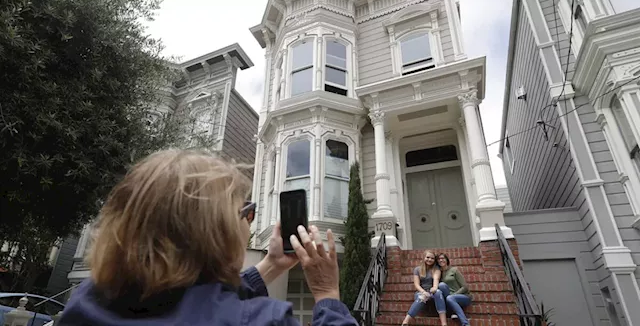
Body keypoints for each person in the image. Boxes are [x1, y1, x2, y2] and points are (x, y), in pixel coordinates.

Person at [57, 149, 358, 326]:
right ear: (216, 231)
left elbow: (195, 298)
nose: (250, 223)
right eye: (246, 212)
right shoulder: (263, 320)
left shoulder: (86, 301)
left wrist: (271, 265)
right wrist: (327, 293)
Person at [401, 250, 447, 326]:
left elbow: (436, 279)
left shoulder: (436, 269)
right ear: (424, 258)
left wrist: (434, 288)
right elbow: (416, 284)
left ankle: (444, 323)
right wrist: (423, 292)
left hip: (432, 292)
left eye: (432, 258)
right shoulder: (417, 269)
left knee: (438, 292)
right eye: (428, 257)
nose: (429, 259)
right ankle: (405, 322)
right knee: (422, 297)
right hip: (421, 292)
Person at [437, 253, 471, 326]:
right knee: (441, 285)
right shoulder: (439, 274)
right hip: (449, 299)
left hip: (463, 296)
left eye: (443, 258)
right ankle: (453, 311)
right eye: (439, 259)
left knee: (450, 297)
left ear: (447, 260)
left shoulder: (454, 270)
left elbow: (465, 287)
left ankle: (465, 324)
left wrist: (454, 295)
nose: (441, 260)